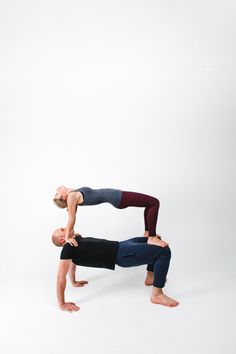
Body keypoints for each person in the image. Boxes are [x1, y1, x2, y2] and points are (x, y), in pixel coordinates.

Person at [52, 227, 179, 312]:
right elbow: (60, 277)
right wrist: (62, 304)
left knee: (156, 239)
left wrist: (74, 281)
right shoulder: (68, 247)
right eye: (62, 230)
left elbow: (73, 264)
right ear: (62, 240)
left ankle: (150, 278)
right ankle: (157, 294)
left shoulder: (74, 241)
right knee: (164, 251)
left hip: (121, 245)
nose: (65, 227)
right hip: (121, 255)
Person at [53, 186, 167, 248]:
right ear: (64, 197)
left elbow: (71, 218)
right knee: (154, 202)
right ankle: (151, 237)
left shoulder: (73, 193)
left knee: (149, 204)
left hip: (117, 196)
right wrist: (67, 238)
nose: (57, 190)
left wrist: (63, 190)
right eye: (57, 194)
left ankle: (148, 233)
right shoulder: (71, 197)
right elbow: (71, 219)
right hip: (118, 198)